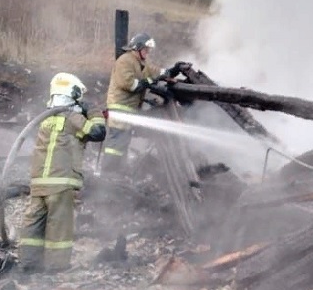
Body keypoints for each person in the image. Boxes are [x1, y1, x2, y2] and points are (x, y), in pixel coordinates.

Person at [19, 73, 106, 272]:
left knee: (34, 222)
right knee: (59, 226)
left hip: (39, 182)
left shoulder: (45, 119)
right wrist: (93, 111)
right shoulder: (72, 118)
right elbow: (98, 133)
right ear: (71, 94)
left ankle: (28, 264)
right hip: (61, 183)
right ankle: (55, 267)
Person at [102, 32, 190, 172]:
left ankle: (116, 173)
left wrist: (174, 70)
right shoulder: (125, 61)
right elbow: (130, 85)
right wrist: (149, 81)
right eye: (146, 49)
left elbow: (157, 72)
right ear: (137, 47)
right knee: (115, 144)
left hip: (128, 110)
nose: (148, 52)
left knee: (122, 143)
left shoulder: (142, 64)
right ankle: (107, 174)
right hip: (119, 108)